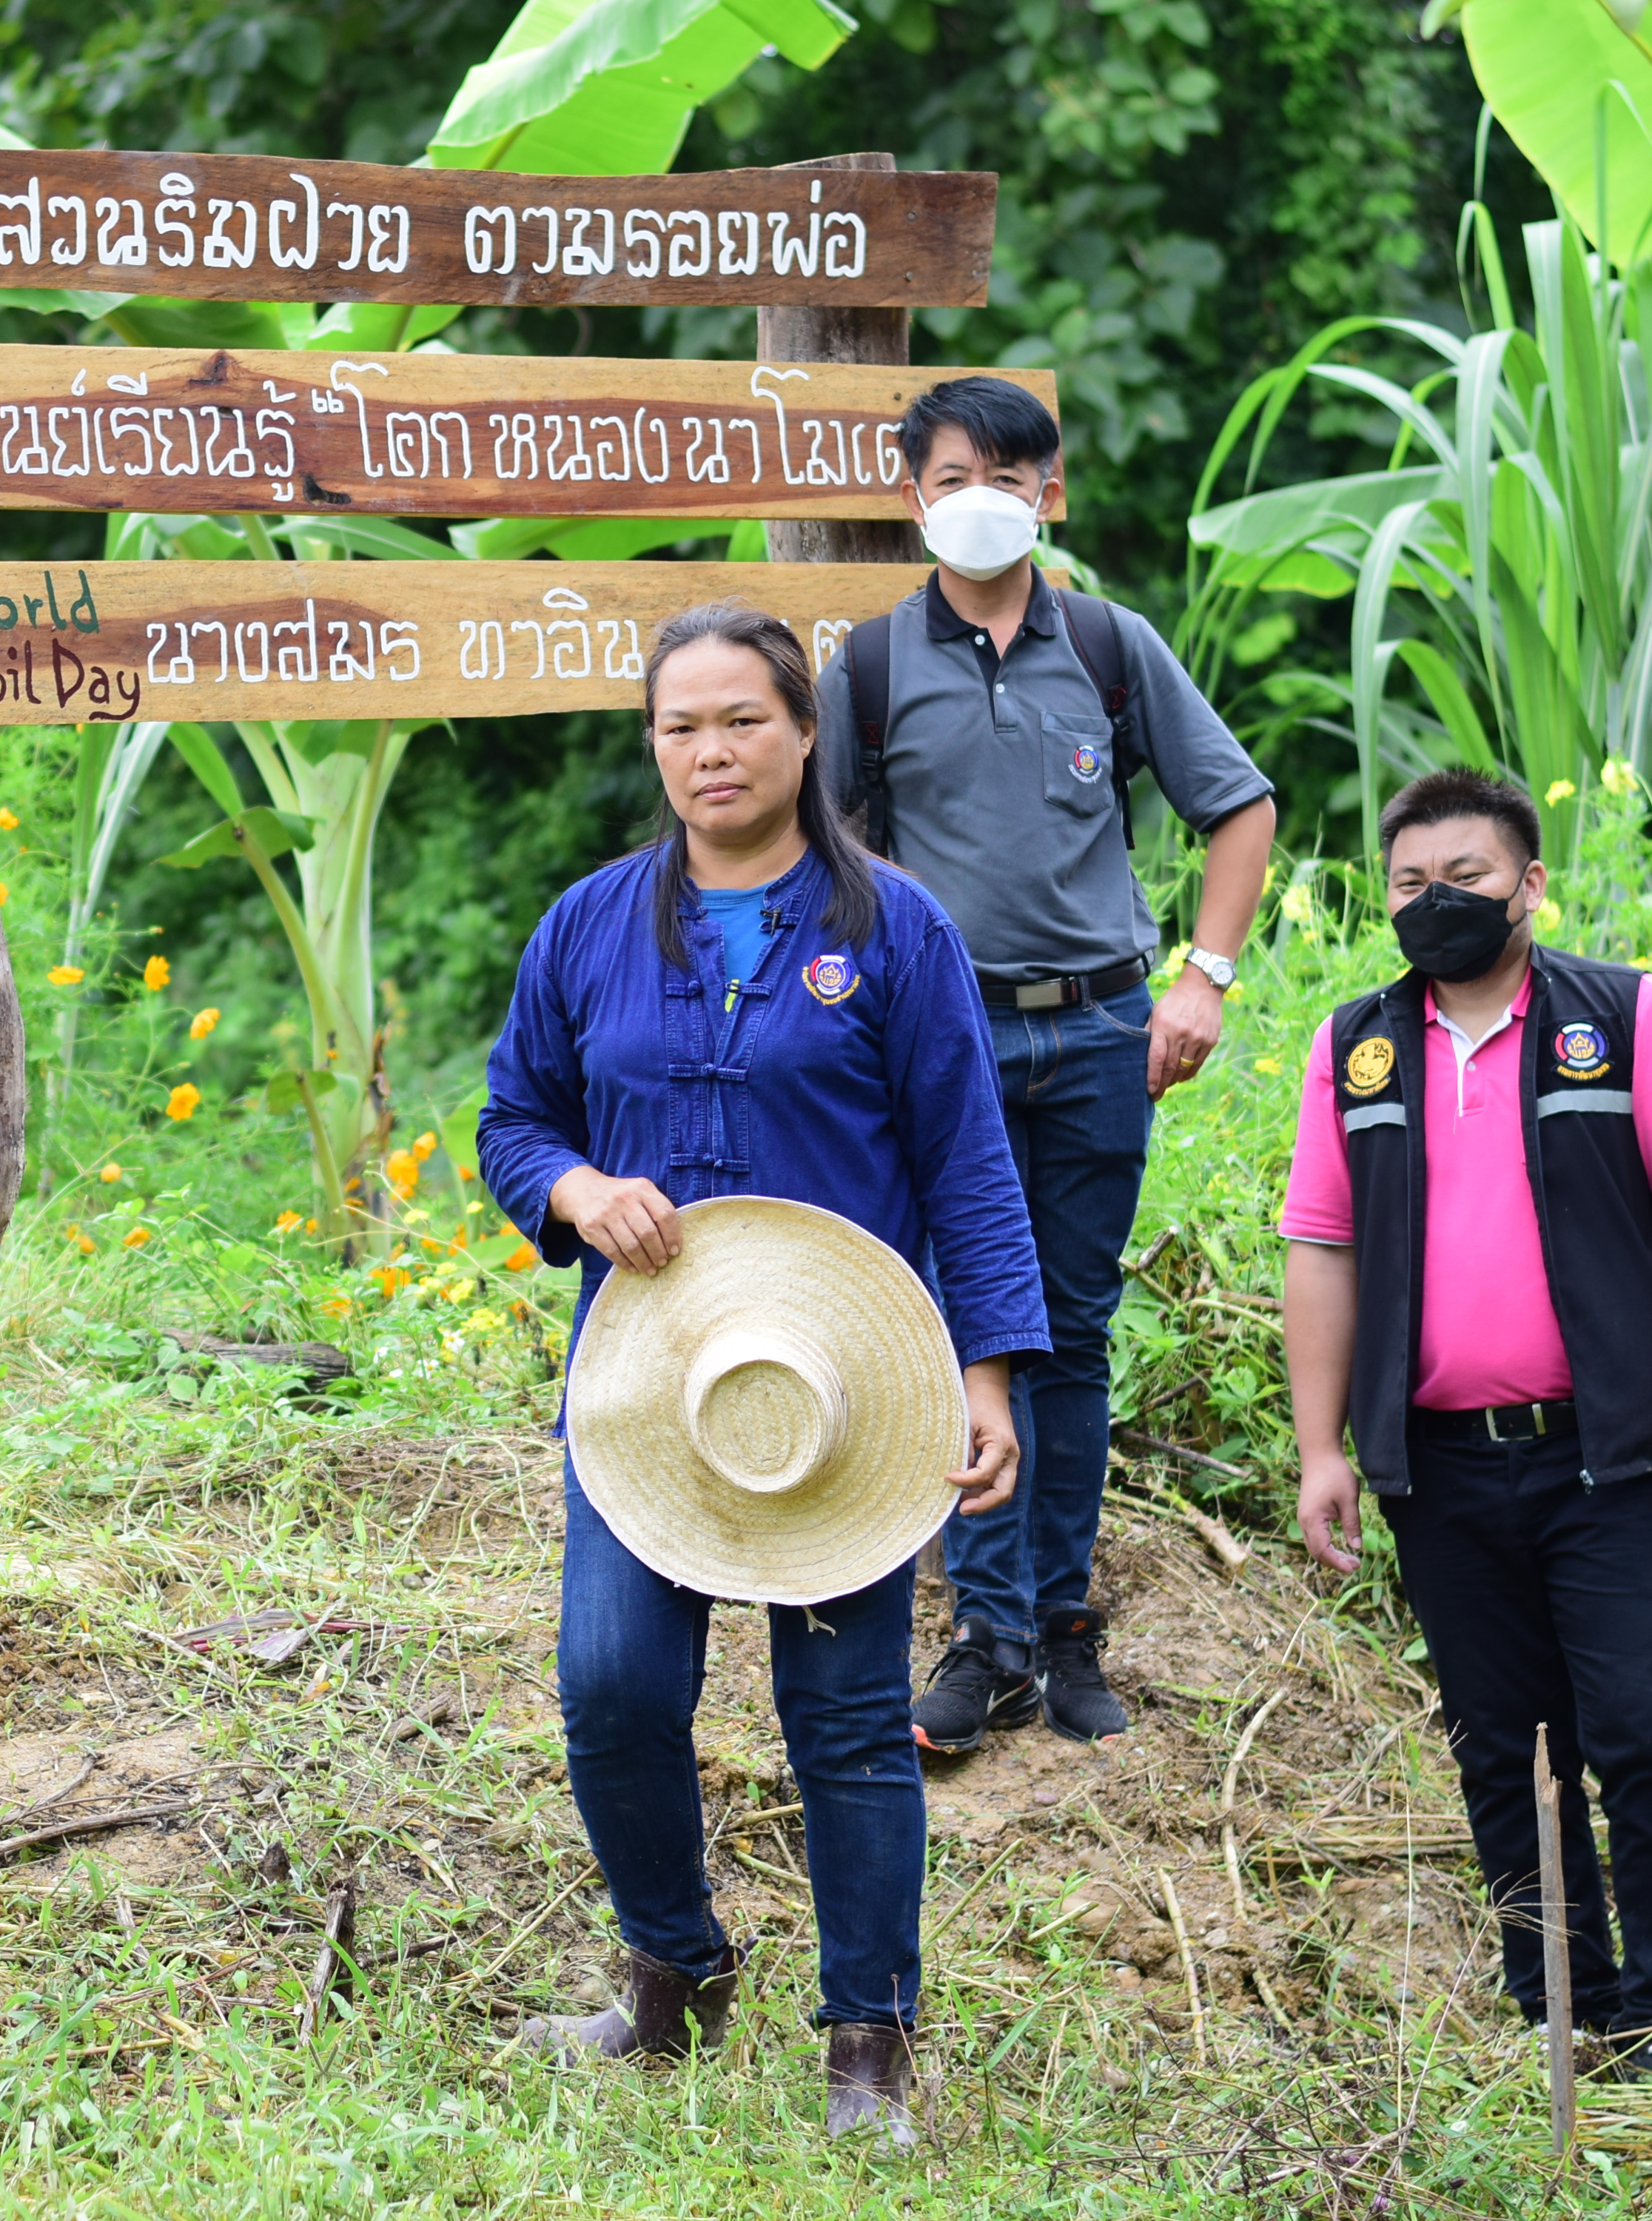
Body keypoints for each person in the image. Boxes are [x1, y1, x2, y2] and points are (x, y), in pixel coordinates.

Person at [479, 603, 1047, 2139]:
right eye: (679, 725)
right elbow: (513, 1120)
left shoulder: (894, 932)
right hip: (647, 1392)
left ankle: (867, 2040)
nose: (709, 751)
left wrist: (987, 1379)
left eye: (741, 720)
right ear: (650, 743)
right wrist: (577, 1192)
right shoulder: (589, 925)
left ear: (805, 735)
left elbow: (969, 1167)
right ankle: (673, 1973)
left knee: (848, 1719)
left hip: (840, 1404)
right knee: (609, 1686)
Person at [814, 373, 1280, 1754]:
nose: (983, 500)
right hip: (946, 1039)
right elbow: (828, 854)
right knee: (974, 1327)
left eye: (1009, 479)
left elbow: (1239, 806)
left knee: (1071, 1331)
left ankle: (1062, 1622)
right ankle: (986, 1633)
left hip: (1097, 1032)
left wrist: (1204, 977)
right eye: (955, 476)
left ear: (1049, 494)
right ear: (914, 498)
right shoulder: (872, 668)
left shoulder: (1111, 646)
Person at [1281, 768, 1652, 2093]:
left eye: (1469, 879)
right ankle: (1566, 2002)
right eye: (1412, 885)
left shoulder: (1625, 1018)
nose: (1439, 904)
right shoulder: (1356, 1047)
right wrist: (1325, 1449)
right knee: (1505, 1741)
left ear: (1531, 886)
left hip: (1616, 1454)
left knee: (1648, 1724)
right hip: (1439, 1466)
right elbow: (1321, 1250)